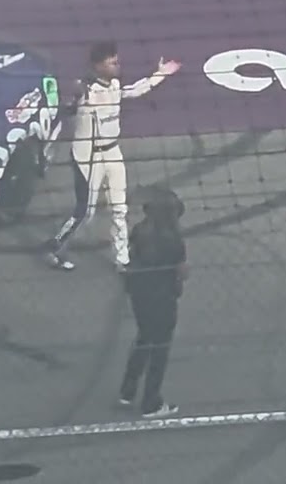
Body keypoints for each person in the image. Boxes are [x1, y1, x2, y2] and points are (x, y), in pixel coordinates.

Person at [44, 40, 180, 271]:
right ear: (97, 66)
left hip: (112, 152)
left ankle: (123, 261)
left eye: (117, 61)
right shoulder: (86, 90)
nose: (118, 66)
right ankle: (56, 246)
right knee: (86, 212)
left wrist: (160, 74)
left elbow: (136, 89)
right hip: (87, 157)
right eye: (112, 63)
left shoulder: (115, 85)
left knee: (120, 209)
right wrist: (77, 92)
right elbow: (74, 99)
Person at [116, 185, 188, 418]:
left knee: (144, 339)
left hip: (139, 293)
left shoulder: (139, 230)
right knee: (159, 349)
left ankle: (127, 390)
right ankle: (151, 402)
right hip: (162, 297)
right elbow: (179, 272)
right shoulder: (173, 240)